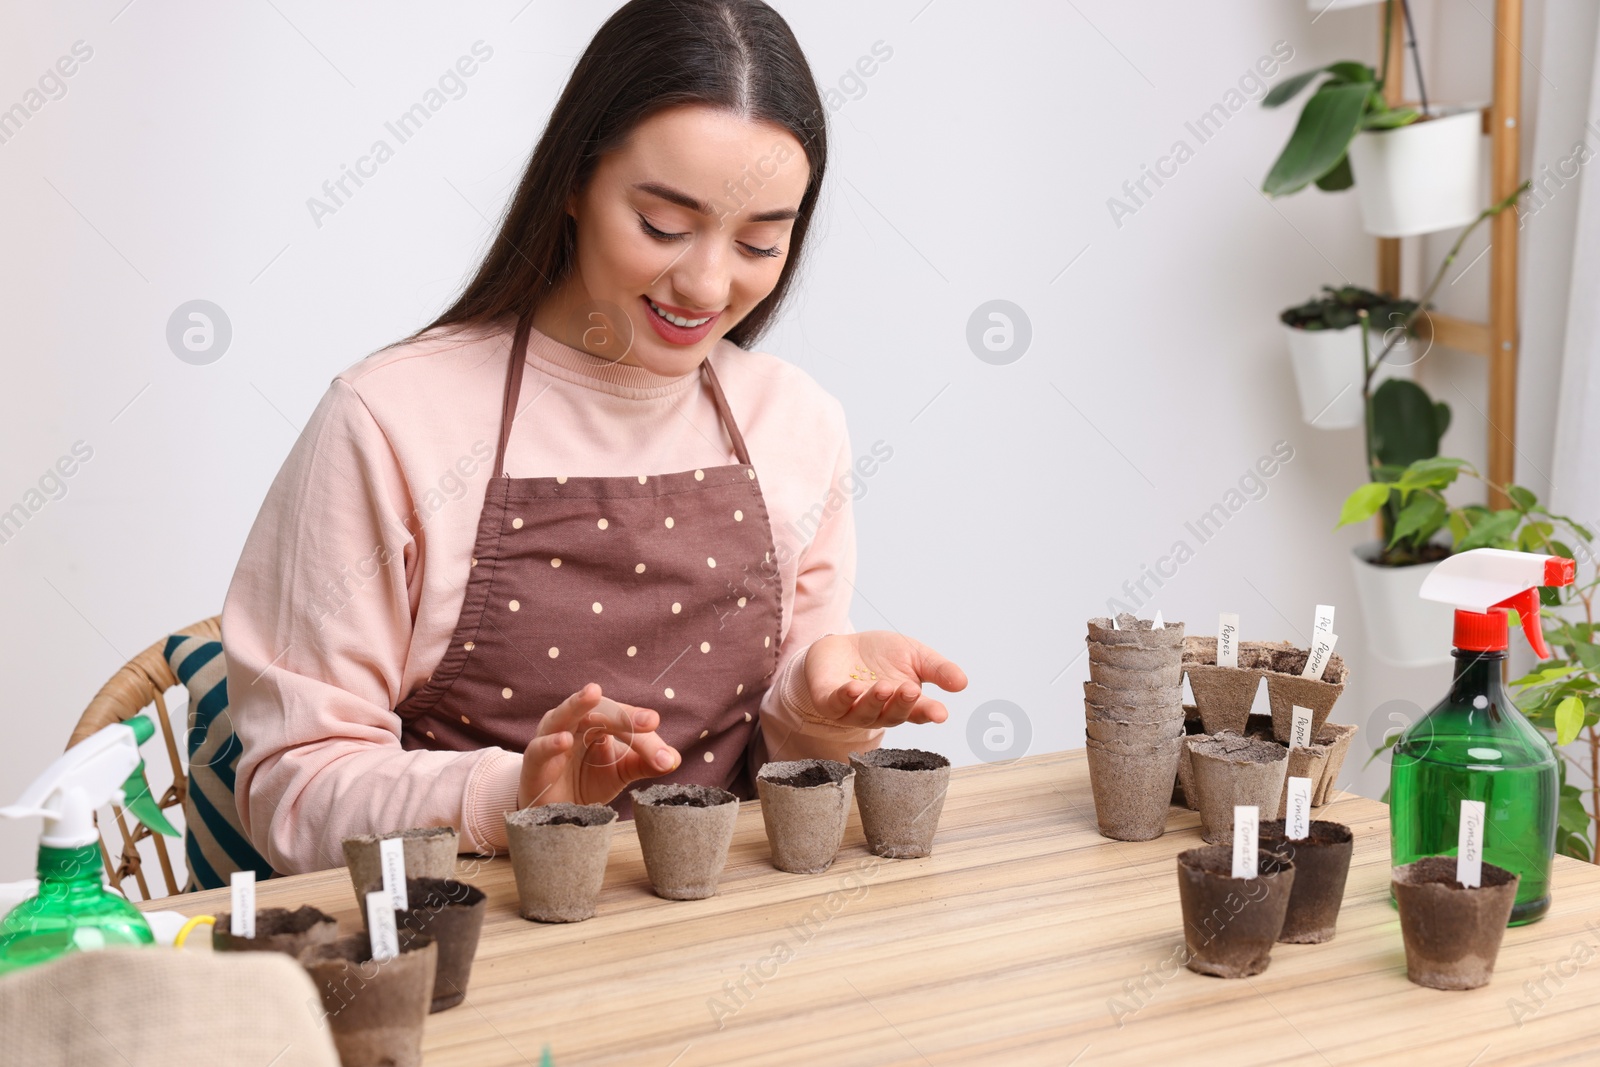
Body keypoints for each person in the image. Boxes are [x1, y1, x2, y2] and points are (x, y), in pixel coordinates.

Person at [222, 0, 968, 876]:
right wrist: (517, 797)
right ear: (572, 180)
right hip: (474, 951)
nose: (705, 282)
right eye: (663, 226)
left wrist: (812, 708)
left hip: (719, 939)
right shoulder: (390, 420)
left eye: (761, 241)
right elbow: (295, 790)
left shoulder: (796, 423)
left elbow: (786, 792)